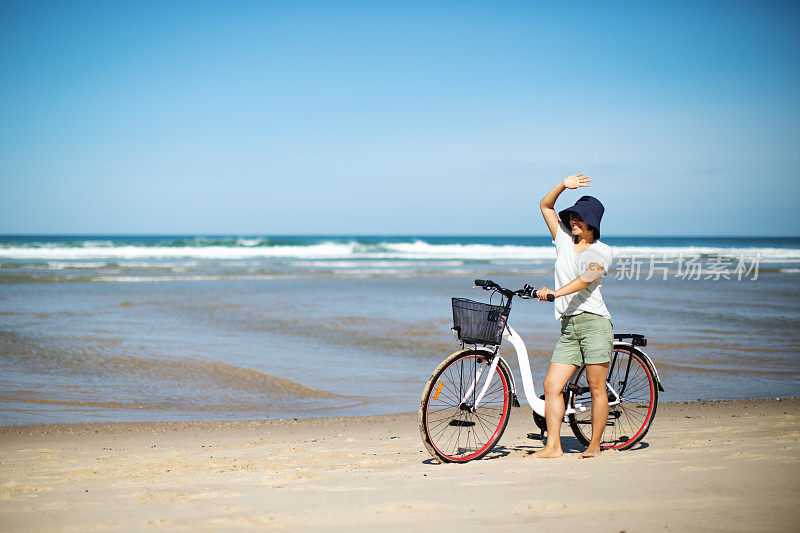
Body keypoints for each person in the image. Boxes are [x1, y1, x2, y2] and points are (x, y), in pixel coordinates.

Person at [531, 173, 613, 458]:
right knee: (552, 385)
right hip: (568, 326)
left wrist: (555, 293)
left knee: (595, 387)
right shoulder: (563, 240)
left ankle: (594, 445)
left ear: (593, 222)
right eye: (573, 217)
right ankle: (553, 446)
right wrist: (562, 186)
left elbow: (585, 280)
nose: (574, 222)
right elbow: (545, 206)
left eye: (580, 218)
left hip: (594, 324)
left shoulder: (602, 251)